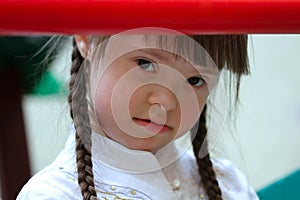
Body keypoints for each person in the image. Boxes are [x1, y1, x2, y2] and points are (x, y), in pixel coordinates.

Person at [17, 28, 259, 200]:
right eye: (145, 63)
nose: (166, 101)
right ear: (87, 39)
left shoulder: (229, 186)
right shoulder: (53, 194)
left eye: (195, 80)